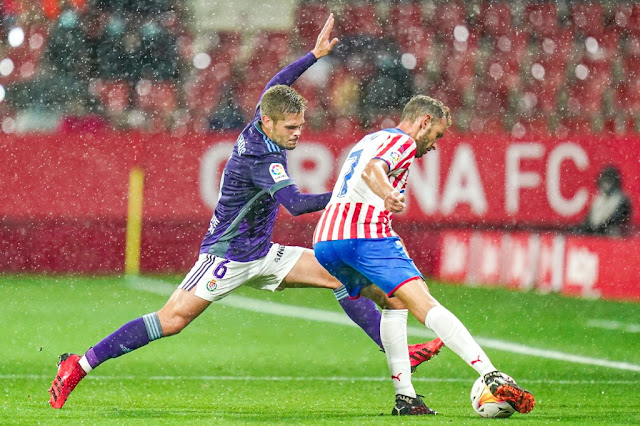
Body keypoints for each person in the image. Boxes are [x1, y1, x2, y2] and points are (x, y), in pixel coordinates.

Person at [48, 14, 443, 410]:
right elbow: (296, 204)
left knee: (339, 272)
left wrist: (314, 55)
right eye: (290, 127)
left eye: (301, 125)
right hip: (227, 255)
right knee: (171, 321)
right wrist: (346, 189)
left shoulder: (263, 115)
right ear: (269, 123)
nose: (297, 133)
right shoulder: (262, 158)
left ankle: (396, 352)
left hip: (262, 252)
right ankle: (77, 366)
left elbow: (277, 83)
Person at [313, 95, 536, 416]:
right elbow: (374, 170)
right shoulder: (402, 141)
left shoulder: (371, 138)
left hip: (326, 241)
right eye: (437, 135)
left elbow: (363, 168)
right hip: (364, 233)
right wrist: (387, 192)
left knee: (394, 302)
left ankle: (406, 398)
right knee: (425, 304)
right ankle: (491, 374)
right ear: (424, 122)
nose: (434, 144)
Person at [581, 165, 632, 237]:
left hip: (611, 237)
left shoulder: (622, 200)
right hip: (594, 235)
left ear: (615, 183)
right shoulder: (598, 199)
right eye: (604, 181)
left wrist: (598, 229)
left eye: (609, 182)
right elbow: (589, 221)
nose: (606, 185)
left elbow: (616, 221)